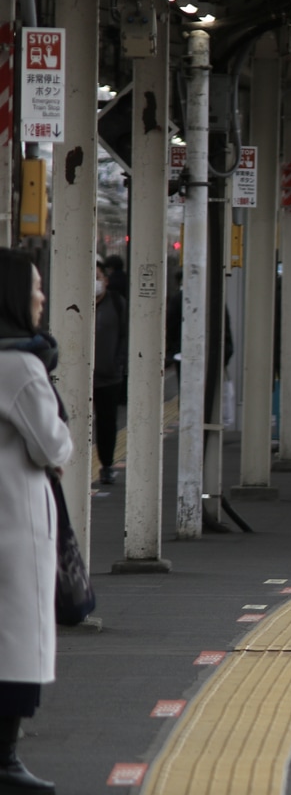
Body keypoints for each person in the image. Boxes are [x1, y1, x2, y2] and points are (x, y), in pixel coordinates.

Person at [0, 250, 73, 794]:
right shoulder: (20, 367)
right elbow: (52, 444)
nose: (42, 298)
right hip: (14, 522)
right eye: (35, 287)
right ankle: (5, 758)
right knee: (17, 645)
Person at [94, 260, 128, 485]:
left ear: (106, 280)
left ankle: (106, 465)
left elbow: (125, 335)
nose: (94, 282)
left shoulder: (116, 303)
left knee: (107, 422)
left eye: (97, 277)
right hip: (81, 378)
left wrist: (119, 364)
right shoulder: (72, 301)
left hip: (109, 376)